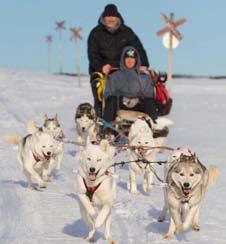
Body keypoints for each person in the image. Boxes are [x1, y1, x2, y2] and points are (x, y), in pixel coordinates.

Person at [88, 3, 150, 117]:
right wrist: (101, 67)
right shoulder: (95, 33)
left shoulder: (127, 32)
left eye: (113, 16)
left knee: (137, 88)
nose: (111, 19)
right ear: (103, 17)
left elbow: (138, 48)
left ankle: (138, 116)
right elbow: (93, 55)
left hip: (123, 68)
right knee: (100, 90)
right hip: (102, 70)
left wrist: (143, 64)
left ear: (117, 17)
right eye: (108, 16)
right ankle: (100, 116)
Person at [103, 46, 157, 124]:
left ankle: (153, 128)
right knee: (110, 100)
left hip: (139, 106)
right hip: (120, 105)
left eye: (132, 58)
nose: (129, 61)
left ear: (136, 60)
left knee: (150, 101)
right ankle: (107, 130)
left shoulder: (144, 77)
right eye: (127, 58)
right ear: (123, 59)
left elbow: (149, 94)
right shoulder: (114, 76)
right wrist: (122, 99)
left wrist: (138, 99)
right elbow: (108, 94)